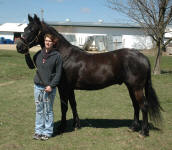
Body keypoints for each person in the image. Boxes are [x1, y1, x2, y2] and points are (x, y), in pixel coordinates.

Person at [24, 34, 63, 140]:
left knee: (48, 110)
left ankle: (47, 132)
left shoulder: (57, 56)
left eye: (50, 41)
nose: (47, 42)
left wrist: (52, 85)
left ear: (53, 43)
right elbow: (31, 66)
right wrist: (26, 54)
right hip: (37, 87)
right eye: (46, 40)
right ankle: (38, 131)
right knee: (39, 109)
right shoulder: (38, 54)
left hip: (49, 88)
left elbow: (59, 74)